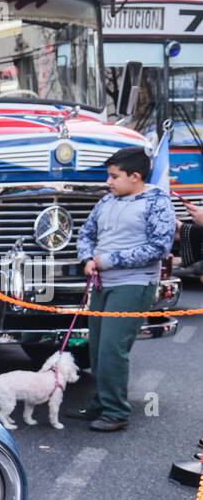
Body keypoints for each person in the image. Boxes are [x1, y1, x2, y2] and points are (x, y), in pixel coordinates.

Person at [69, 146, 175, 432]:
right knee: (98, 347)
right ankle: (100, 404)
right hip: (103, 283)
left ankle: (116, 412)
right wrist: (87, 258)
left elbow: (159, 247)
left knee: (113, 349)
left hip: (134, 283)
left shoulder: (157, 202)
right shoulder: (106, 201)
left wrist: (108, 261)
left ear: (136, 176)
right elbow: (87, 233)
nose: (109, 182)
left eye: (114, 176)